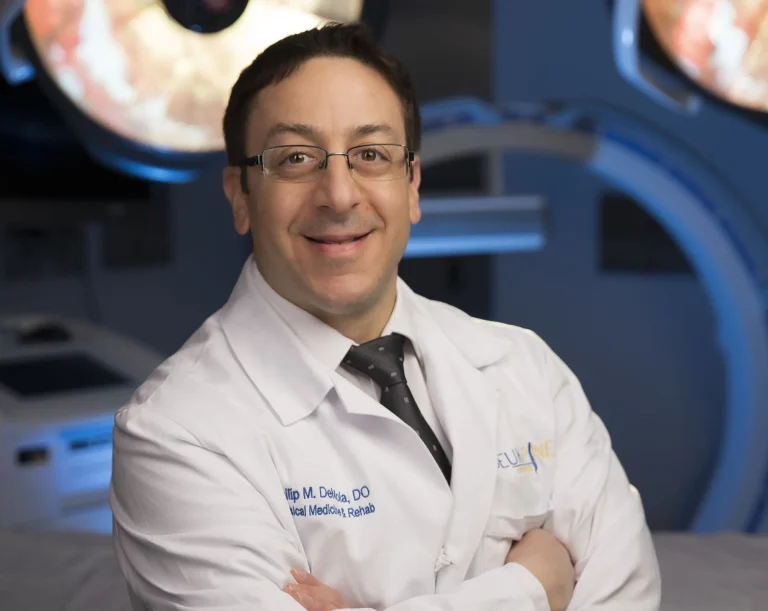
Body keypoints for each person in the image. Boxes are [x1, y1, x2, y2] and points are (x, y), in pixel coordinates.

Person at [110, 22, 662, 611]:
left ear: (412, 184)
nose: (340, 194)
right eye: (296, 158)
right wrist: (532, 588)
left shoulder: (524, 367)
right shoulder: (176, 431)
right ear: (241, 196)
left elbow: (627, 594)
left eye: (371, 154)